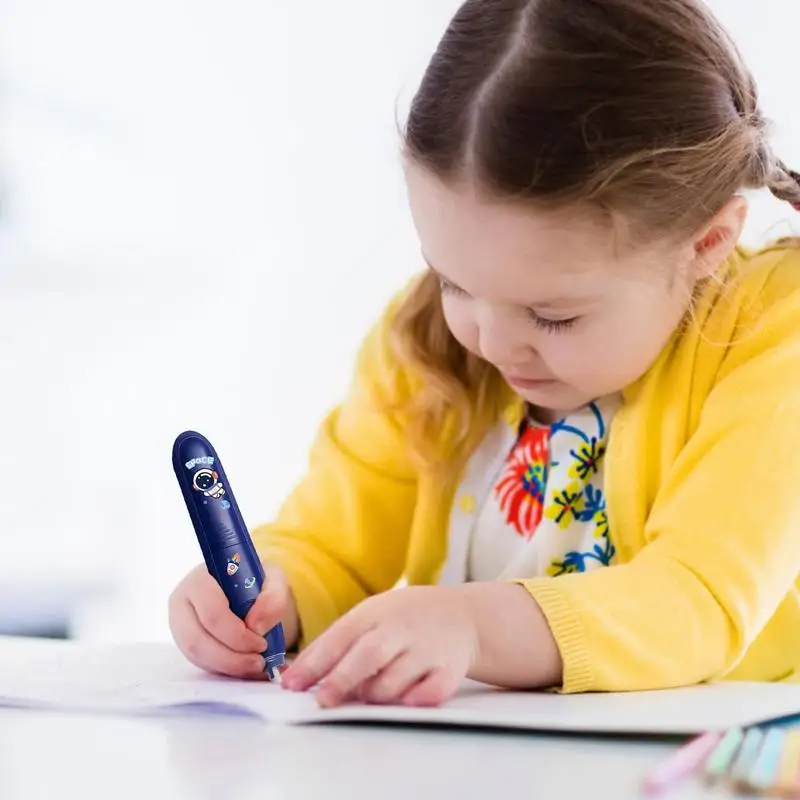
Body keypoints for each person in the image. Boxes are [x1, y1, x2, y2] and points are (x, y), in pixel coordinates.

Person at [168, 0, 800, 709]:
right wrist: (271, 596)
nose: (492, 344)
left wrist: (469, 623)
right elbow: (335, 545)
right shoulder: (428, 338)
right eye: (454, 283)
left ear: (706, 245)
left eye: (552, 316)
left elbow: (697, 597)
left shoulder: (775, 331)